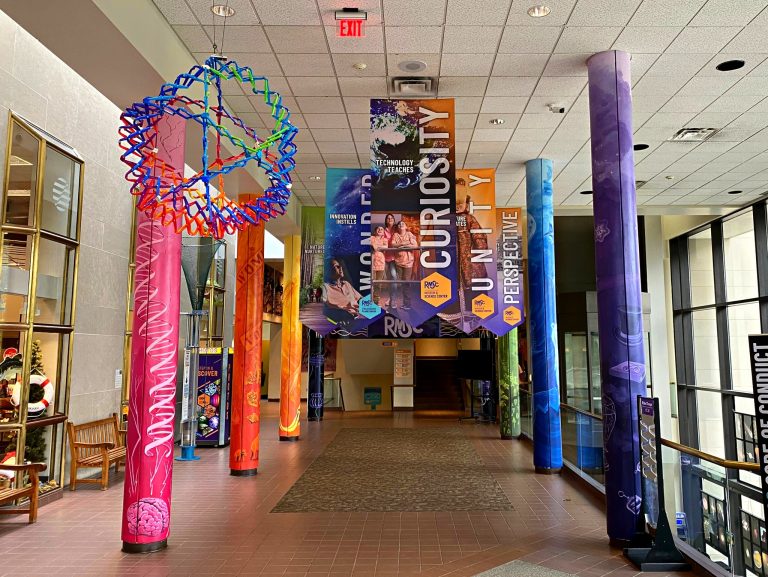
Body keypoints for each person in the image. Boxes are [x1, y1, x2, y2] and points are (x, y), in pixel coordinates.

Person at [323, 258, 362, 323]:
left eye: (341, 266)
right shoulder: (325, 287)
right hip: (347, 320)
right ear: (328, 270)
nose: (341, 268)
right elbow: (324, 308)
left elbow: (361, 299)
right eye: (337, 266)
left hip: (361, 316)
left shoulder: (346, 284)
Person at [390, 221, 418, 310]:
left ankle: (407, 304)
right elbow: (393, 245)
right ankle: (403, 303)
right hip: (398, 262)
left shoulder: (410, 234)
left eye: (403, 224)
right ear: (397, 227)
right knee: (402, 282)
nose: (401, 225)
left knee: (406, 282)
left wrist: (401, 246)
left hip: (408, 262)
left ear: (406, 227)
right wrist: (405, 244)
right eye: (399, 224)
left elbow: (415, 245)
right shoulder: (395, 235)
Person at [371, 225, 389, 307]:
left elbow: (386, 247)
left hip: (381, 264)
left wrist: (378, 247)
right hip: (371, 263)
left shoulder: (385, 239)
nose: (380, 230)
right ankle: (368, 301)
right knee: (370, 283)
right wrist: (379, 247)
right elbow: (374, 247)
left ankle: (376, 301)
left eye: (381, 229)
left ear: (383, 232)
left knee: (378, 284)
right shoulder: (371, 238)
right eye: (378, 228)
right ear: (375, 231)